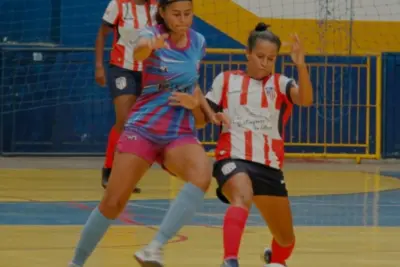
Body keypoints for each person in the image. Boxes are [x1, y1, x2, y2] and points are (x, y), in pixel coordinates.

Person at [67, 1, 226, 266]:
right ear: (162, 12)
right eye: (176, 14)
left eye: (188, 14)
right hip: (145, 127)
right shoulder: (150, 34)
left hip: (178, 131)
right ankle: (76, 262)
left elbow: (193, 84)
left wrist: (208, 113)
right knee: (113, 202)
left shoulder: (199, 42)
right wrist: (149, 46)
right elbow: (140, 51)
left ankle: (154, 247)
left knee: (202, 175)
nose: (183, 20)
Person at [205, 22, 314, 267]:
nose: (265, 63)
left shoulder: (280, 83)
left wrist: (300, 65)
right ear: (248, 52)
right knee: (241, 195)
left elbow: (306, 100)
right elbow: (202, 119)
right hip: (232, 158)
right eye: (260, 56)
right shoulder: (226, 80)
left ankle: (274, 260)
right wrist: (200, 108)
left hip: (268, 166)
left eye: (271, 58)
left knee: (286, 239)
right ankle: (229, 260)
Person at [96, 0, 158, 193]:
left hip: (149, 71)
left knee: (141, 126)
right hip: (122, 68)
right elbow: (102, 35)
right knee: (123, 120)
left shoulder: (158, 7)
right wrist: (99, 66)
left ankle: (128, 174)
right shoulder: (119, 4)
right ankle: (109, 169)